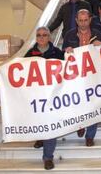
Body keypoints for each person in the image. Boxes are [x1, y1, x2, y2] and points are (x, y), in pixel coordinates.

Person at [62, 9, 101, 147]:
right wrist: (66, 50)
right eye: (80, 20)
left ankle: (90, 136)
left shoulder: (98, 33)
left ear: (90, 20)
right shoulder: (69, 34)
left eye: (86, 20)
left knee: (93, 105)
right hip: (76, 76)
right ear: (76, 21)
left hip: (93, 75)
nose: (83, 23)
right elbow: (63, 54)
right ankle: (80, 125)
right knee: (77, 102)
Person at [24, 27, 64, 170]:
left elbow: (66, 72)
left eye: (44, 35)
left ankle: (48, 157)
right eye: (39, 35)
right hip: (37, 97)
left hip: (53, 97)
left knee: (50, 125)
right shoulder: (29, 54)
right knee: (39, 122)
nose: (41, 38)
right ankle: (40, 137)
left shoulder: (58, 53)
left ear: (49, 37)